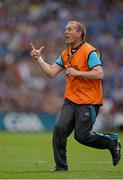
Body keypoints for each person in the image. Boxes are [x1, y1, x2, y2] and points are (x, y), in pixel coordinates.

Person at [30, 20, 121, 171]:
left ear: (79, 34)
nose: (66, 31)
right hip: (70, 99)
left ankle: (112, 142)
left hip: (89, 101)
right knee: (59, 129)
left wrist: (77, 72)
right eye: (65, 29)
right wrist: (38, 59)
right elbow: (51, 72)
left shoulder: (89, 51)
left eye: (70, 29)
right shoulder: (66, 53)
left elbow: (99, 73)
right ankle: (61, 168)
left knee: (82, 136)